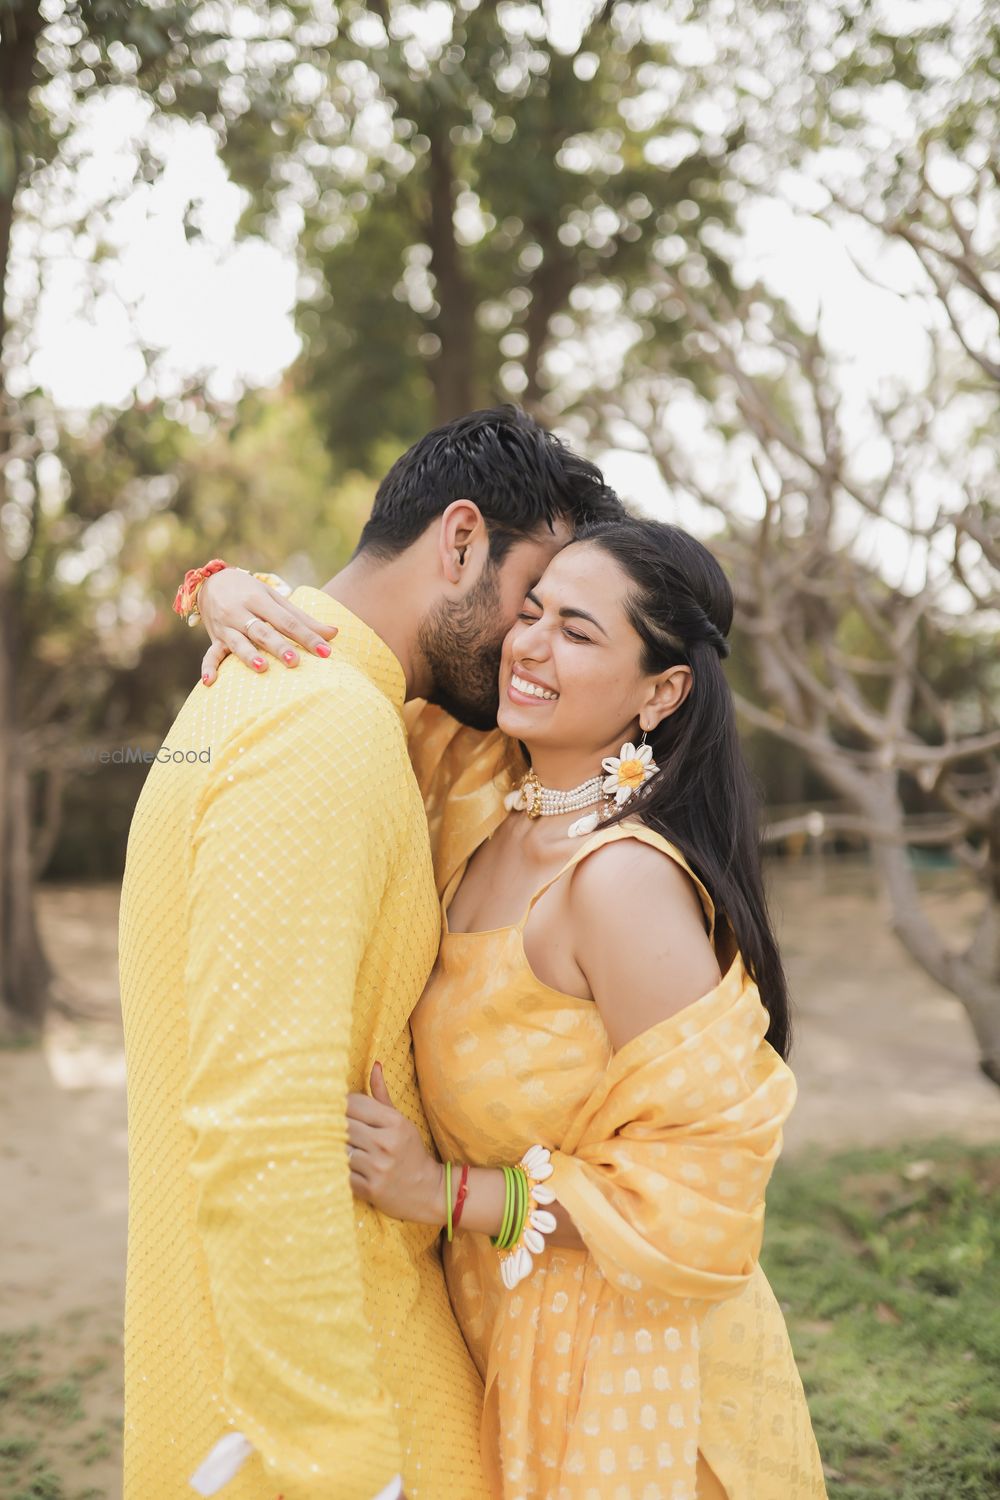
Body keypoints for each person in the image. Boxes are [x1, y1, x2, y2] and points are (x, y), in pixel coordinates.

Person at [194, 517, 828, 1499]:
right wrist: (224, 590)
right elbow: (356, 666)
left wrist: (441, 1193)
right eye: (530, 611)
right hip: (501, 1331)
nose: (529, 644)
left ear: (662, 691)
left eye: (579, 633)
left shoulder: (620, 883)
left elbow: (704, 1189)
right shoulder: (481, 789)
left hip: (628, 1371)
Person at [117, 405, 624, 1500]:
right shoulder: (321, 728)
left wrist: (216, 585)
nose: (532, 638)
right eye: (529, 595)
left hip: (273, 1384)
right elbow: (263, 1119)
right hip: (315, 1421)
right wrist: (339, 1458)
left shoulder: (294, 695)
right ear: (458, 540)